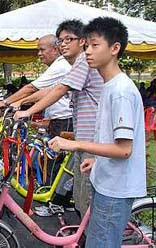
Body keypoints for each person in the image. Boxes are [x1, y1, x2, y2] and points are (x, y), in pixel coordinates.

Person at [49, 17, 146, 247]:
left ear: (115, 48)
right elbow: (111, 140)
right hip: (106, 180)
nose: (88, 51)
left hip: (115, 189)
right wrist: (96, 160)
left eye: (94, 45)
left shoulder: (120, 90)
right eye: (87, 45)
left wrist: (76, 145)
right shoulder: (109, 86)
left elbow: (124, 149)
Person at [14, 19, 104, 218]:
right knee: (81, 194)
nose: (63, 44)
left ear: (82, 41)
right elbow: (52, 89)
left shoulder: (83, 61)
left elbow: (59, 89)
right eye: (60, 40)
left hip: (94, 142)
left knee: (89, 199)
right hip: (84, 140)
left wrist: (27, 110)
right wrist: (21, 103)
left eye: (68, 39)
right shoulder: (74, 65)